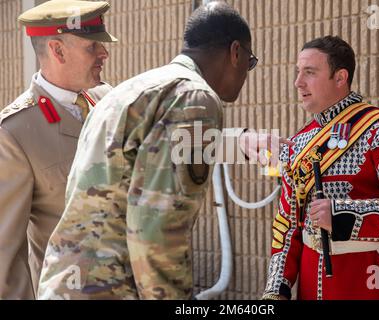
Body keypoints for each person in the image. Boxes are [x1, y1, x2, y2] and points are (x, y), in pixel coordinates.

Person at [38, 1, 260, 300]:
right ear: (236, 53)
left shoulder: (129, 91)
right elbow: (158, 226)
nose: (247, 73)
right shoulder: (196, 97)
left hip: (67, 285)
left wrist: (242, 143)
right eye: (250, 61)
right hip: (112, 289)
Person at [262, 35, 379, 300]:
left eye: (309, 72)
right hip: (311, 288)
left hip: (372, 284)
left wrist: (342, 215)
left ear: (340, 77)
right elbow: (288, 226)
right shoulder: (299, 143)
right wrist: (277, 288)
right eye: (298, 72)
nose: (298, 83)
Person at [0, 0, 117, 299]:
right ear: (58, 50)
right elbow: (5, 257)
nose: (104, 53)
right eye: (93, 46)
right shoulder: (14, 133)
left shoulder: (110, 101)